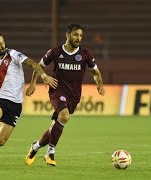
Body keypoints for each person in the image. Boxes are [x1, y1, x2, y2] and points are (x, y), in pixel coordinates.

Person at [0, 31, 58, 168]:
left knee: (1, 141)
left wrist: (43, 76)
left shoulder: (13, 54)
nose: (2, 45)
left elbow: (32, 63)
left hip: (16, 103)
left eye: (3, 42)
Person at [24, 23, 105, 166]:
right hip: (57, 90)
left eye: (80, 35)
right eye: (75, 34)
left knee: (54, 127)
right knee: (64, 116)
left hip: (74, 96)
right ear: (67, 35)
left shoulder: (85, 54)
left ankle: (35, 147)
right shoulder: (55, 52)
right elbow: (39, 66)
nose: (78, 38)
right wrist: (33, 84)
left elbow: (95, 72)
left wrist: (100, 84)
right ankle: (50, 153)